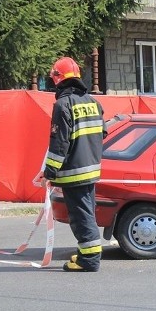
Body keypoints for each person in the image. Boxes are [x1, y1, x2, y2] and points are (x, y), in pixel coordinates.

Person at [42, 57, 107, 272]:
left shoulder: (62, 105)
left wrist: (49, 172)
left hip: (73, 172)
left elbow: (59, 142)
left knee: (80, 217)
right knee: (87, 213)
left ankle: (88, 260)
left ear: (57, 79)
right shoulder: (93, 102)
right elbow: (103, 132)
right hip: (91, 169)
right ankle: (87, 253)